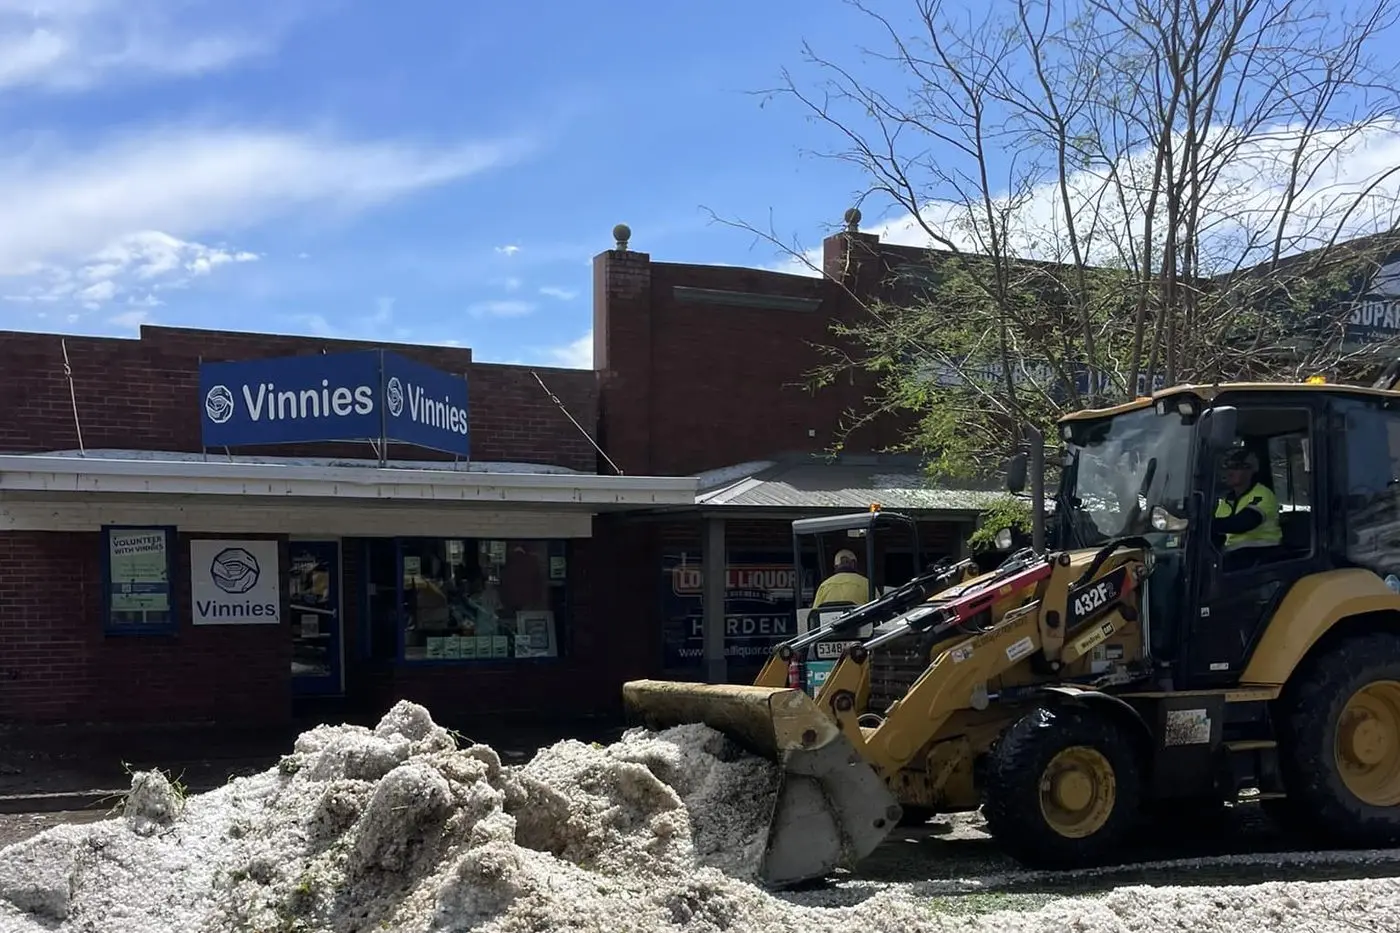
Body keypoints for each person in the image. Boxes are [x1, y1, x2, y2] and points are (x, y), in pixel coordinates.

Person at [1213, 447, 1281, 551]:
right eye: (1227, 468)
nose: (1229, 473)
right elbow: (1219, 532)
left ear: (1250, 470)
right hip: (1234, 553)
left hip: (1263, 553)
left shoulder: (1262, 494)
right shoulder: (1226, 501)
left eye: (1236, 467)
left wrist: (1205, 524)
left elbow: (1243, 523)